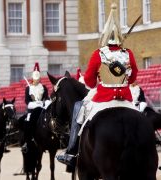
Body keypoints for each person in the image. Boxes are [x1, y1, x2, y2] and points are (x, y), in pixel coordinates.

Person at [56, 3, 138, 167]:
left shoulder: (99, 54)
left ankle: (72, 151)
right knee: (140, 116)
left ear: (105, 36)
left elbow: (89, 81)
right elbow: (133, 76)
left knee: (79, 109)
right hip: (126, 97)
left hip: (103, 97)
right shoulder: (127, 53)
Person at [21, 62, 50, 153]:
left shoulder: (43, 87)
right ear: (33, 78)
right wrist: (34, 103)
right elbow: (27, 101)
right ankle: (26, 142)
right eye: (35, 79)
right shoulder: (28, 88)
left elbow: (46, 98)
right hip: (32, 110)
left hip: (41, 109)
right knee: (28, 123)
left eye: (38, 79)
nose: (37, 81)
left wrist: (42, 102)